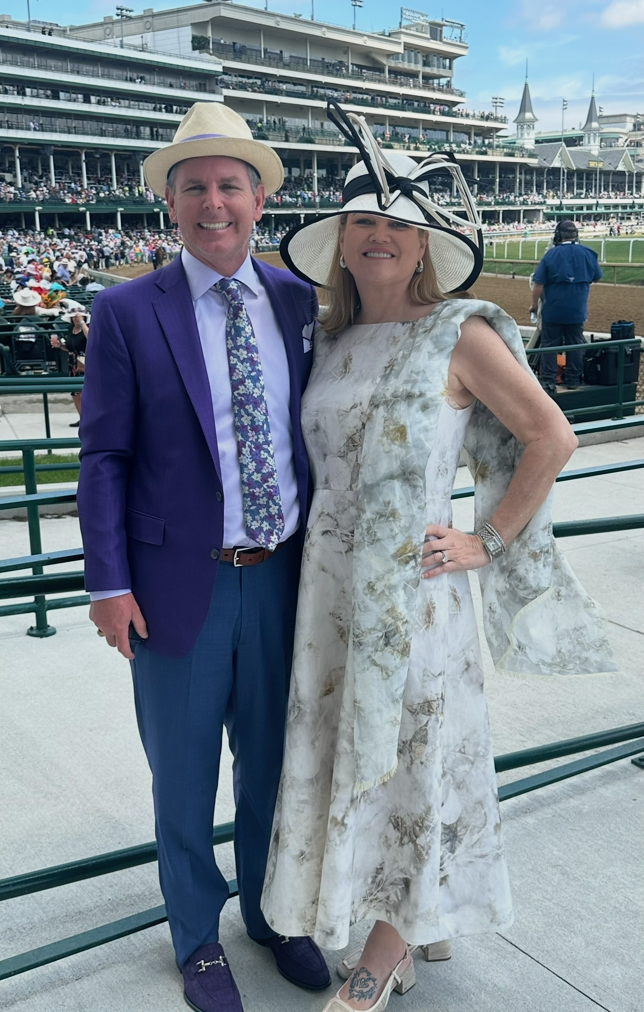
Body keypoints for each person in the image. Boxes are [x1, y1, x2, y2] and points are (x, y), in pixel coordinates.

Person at [260, 105, 616, 1012]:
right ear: (342, 238)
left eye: (399, 226)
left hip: (416, 597)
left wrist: (485, 539)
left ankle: (386, 952)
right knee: (354, 757)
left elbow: (551, 436)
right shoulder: (328, 340)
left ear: (423, 247)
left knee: (412, 763)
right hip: (329, 593)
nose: (380, 236)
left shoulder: (461, 331)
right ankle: (414, 922)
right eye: (365, 221)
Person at [76, 103, 331, 1012]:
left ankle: (274, 913)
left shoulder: (302, 302)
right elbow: (103, 455)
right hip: (175, 584)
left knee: (273, 763)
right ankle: (197, 937)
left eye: (230, 185)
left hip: (283, 578)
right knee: (182, 775)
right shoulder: (125, 310)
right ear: (171, 205)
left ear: (261, 198)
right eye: (195, 188)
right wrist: (107, 584)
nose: (213, 203)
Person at [529, 220, 602, 396]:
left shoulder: (551, 255)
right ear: (576, 235)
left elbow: (538, 284)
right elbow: (597, 277)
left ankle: (548, 381)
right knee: (575, 344)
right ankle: (573, 380)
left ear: (558, 235)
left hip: (554, 310)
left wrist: (533, 305)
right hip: (577, 311)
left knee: (550, 346)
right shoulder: (588, 253)